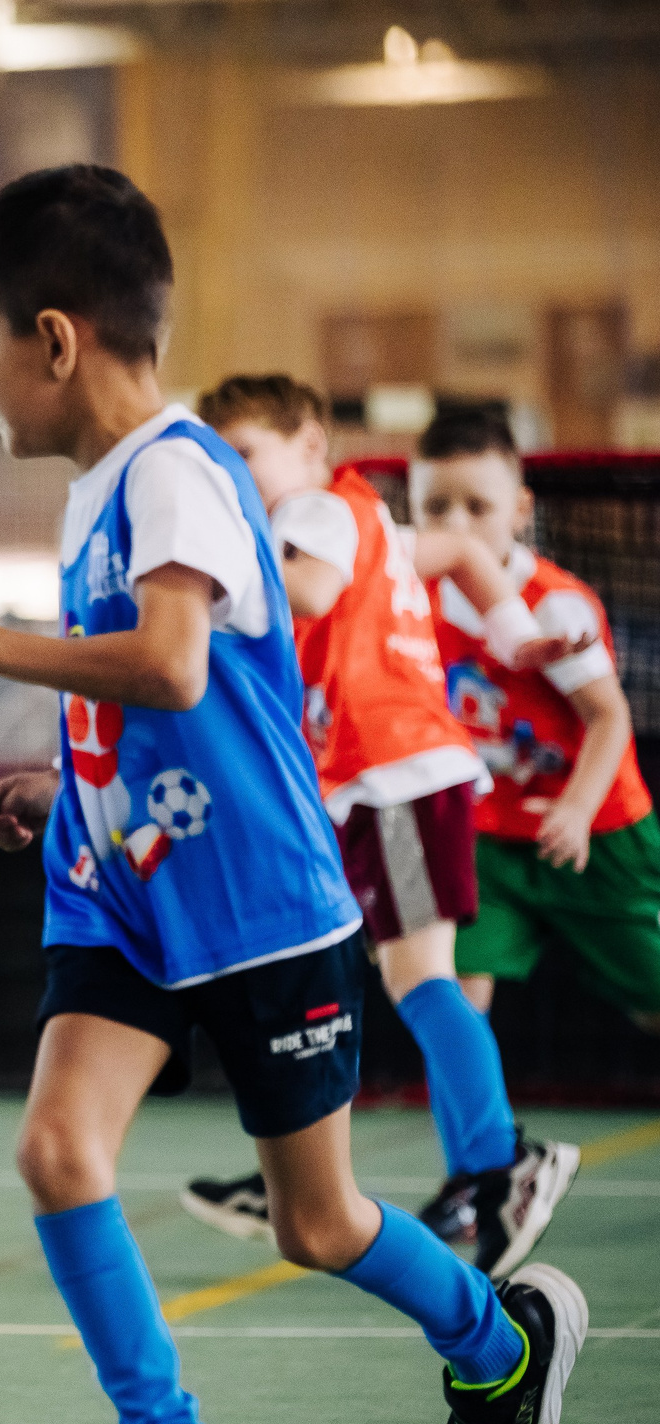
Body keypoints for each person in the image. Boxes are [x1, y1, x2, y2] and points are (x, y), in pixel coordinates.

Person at [0, 166, 583, 1424]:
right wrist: (66, 780)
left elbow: (173, 662)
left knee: (322, 1221)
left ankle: (498, 1341)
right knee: (57, 1150)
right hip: (129, 892)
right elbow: (141, 709)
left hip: (263, 907)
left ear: (58, 337)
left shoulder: (176, 469)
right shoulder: (98, 489)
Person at [178, 378, 582, 1278]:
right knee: (386, 980)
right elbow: (470, 552)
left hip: (392, 773)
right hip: (379, 782)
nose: (230, 474)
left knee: (422, 983)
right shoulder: (369, 521)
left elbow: (310, 593)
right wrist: (514, 639)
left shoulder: (317, 512)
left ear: (312, 446)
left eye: (245, 452)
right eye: (218, 458)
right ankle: (326, 1167)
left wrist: (188, 587)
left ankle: (502, 1164)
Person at [420, 406, 660, 1039]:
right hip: (486, 835)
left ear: (520, 511)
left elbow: (609, 716)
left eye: (477, 507)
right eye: (436, 507)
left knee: (650, 998)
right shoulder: (410, 602)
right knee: (452, 993)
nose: (456, 525)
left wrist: (577, 811)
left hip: (597, 829)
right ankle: (480, 1138)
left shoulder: (553, 606)